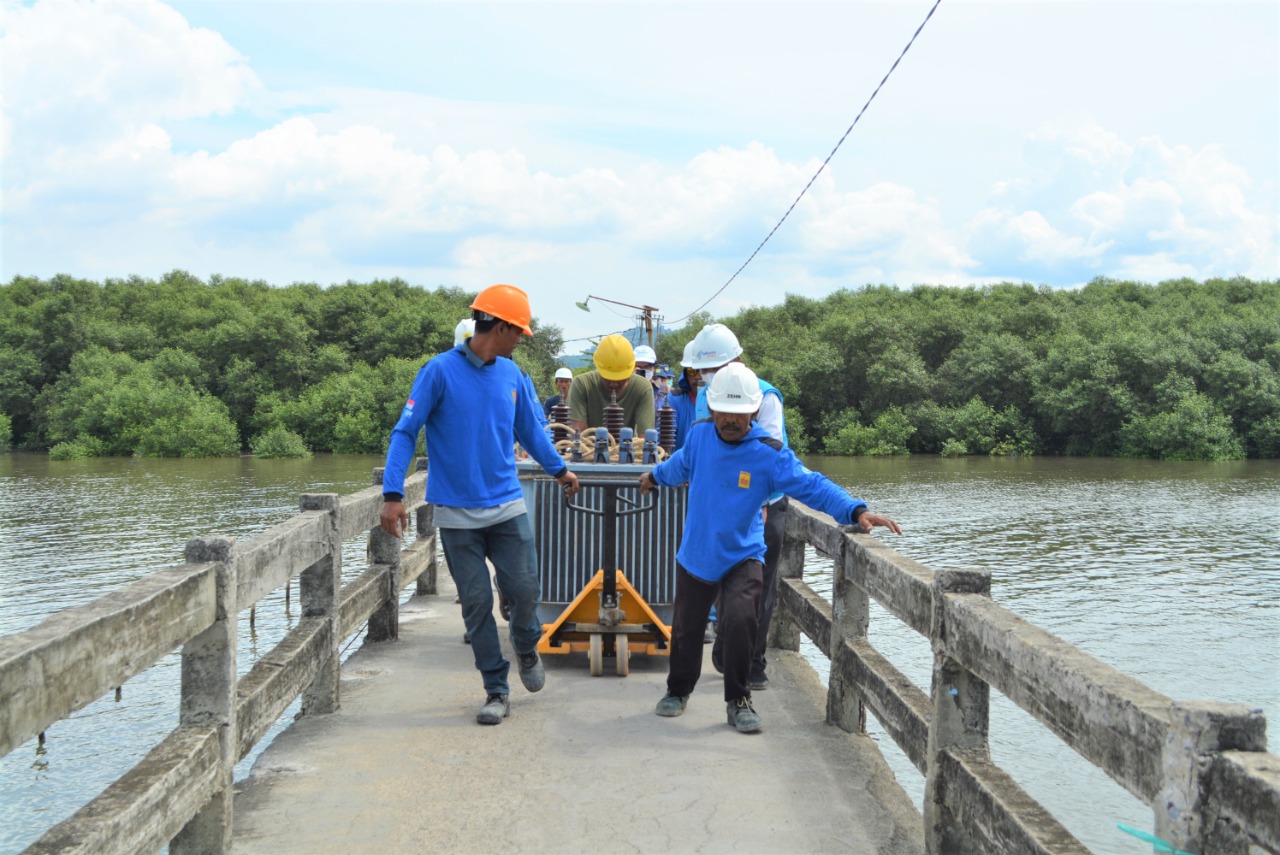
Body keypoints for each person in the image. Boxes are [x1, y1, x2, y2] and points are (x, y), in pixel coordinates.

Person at [638, 363, 901, 733]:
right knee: (686, 629)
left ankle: (738, 699)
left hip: (743, 553)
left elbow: (812, 485)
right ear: (712, 409)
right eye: (724, 412)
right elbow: (678, 466)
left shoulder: (769, 453)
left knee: (741, 620)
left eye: (740, 414)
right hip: (698, 551)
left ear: (753, 412)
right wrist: (653, 476)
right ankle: (678, 691)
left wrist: (855, 509)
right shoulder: (699, 436)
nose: (731, 421)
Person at [380, 284, 580, 726]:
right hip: (456, 514)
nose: (521, 340)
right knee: (475, 605)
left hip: (506, 506)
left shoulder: (512, 376)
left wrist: (560, 470)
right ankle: (496, 689)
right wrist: (393, 494)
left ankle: (526, 645)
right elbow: (405, 431)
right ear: (501, 326)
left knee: (525, 592)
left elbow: (531, 432)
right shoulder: (438, 372)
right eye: (519, 331)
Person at [691, 323, 789, 689]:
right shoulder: (707, 395)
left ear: (735, 361)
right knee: (720, 578)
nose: (708, 376)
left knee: (759, 585)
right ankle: (727, 641)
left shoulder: (765, 396)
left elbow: (769, 456)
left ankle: (753, 663)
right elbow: (705, 447)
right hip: (723, 502)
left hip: (765, 503)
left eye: (713, 368)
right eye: (704, 370)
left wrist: (759, 502)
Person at [567, 333, 655, 435]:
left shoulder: (642, 388)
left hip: (629, 445)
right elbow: (577, 435)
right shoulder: (582, 385)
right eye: (608, 378)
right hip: (589, 445)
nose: (614, 384)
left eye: (620, 378)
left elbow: (645, 437)